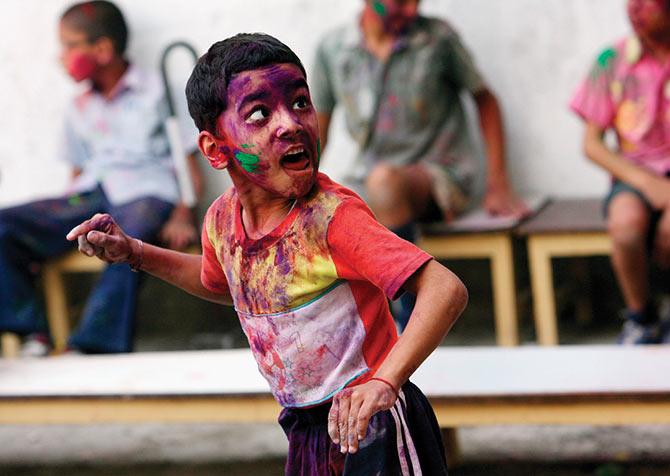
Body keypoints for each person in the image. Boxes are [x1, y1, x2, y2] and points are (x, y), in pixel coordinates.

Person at [67, 33, 468, 474]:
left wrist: (385, 382)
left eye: (300, 102)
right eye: (259, 113)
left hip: (375, 427)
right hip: (308, 432)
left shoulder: (332, 219)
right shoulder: (222, 221)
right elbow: (221, 283)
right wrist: (135, 253)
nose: (291, 123)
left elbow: (444, 288)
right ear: (215, 149)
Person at [0, 0, 202, 355]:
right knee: (5, 225)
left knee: (125, 236)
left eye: (68, 45)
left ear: (103, 50)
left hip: (146, 194)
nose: (60, 57)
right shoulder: (78, 107)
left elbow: (188, 163)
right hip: (91, 195)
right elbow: (76, 175)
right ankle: (32, 332)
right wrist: (55, 224)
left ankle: (93, 345)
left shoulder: (158, 92)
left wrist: (183, 213)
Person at [311, 0, 527, 328]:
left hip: (439, 176)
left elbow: (486, 101)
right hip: (371, 181)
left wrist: (498, 181)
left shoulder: (436, 39)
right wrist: (298, 189)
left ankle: (409, 324)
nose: (412, 10)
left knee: (384, 184)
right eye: (401, 1)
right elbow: (318, 126)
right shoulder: (334, 50)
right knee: (331, 209)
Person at [570, 0, 670, 345]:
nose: (636, 9)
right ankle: (641, 318)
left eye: (648, 2)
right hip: (635, 176)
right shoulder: (612, 61)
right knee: (625, 226)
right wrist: (647, 183)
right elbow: (592, 145)